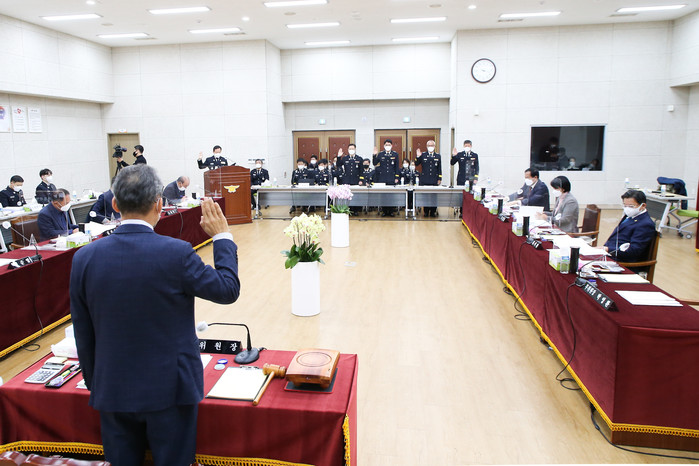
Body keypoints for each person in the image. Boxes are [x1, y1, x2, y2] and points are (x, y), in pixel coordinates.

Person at [70, 165, 240, 466]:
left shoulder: (84, 257)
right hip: (171, 390)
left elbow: (83, 332)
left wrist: (98, 383)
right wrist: (222, 237)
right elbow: (227, 289)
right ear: (159, 204)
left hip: (113, 389)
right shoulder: (176, 253)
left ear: (115, 204)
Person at [604, 190, 656, 264]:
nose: (627, 209)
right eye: (625, 206)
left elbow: (633, 251)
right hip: (610, 255)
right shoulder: (629, 216)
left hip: (622, 262)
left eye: (631, 206)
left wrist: (607, 249)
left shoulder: (646, 224)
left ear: (643, 206)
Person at [372, 140, 400, 216]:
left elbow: (397, 167)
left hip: (391, 177)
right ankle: (384, 211)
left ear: (391, 146)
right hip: (383, 177)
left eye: (389, 144)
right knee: (383, 195)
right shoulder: (381, 154)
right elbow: (374, 163)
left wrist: (396, 177)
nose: (388, 146)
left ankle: (391, 211)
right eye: (386, 144)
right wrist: (374, 155)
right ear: (384, 146)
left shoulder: (395, 154)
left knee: (391, 195)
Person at [415, 140, 442, 217]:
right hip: (425, 179)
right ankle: (426, 211)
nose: (430, 147)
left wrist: (439, 178)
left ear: (434, 146)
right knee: (425, 196)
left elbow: (439, 168)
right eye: (429, 145)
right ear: (427, 147)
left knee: (434, 196)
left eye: (432, 145)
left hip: (434, 179)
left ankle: (433, 211)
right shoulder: (423, 155)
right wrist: (418, 156)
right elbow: (416, 163)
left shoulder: (438, 156)